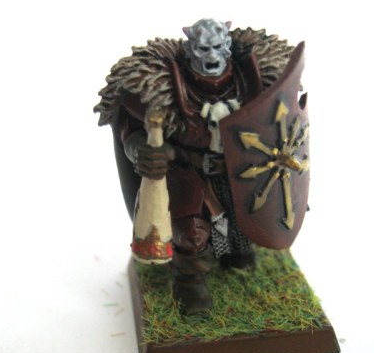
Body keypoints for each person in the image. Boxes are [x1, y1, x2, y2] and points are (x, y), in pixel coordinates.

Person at [95, 19, 294, 315]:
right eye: (203, 49)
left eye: (217, 47)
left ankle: (237, 252)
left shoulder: (251, 80)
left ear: (228, 48)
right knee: (192, 231)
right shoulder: (162, 87)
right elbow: (132, 127)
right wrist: (142, 150)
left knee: (245, 214)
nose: (211, 57)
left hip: (238, 169)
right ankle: (190, 280)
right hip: (188, 170)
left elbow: (278, 120)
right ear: (190, 50)